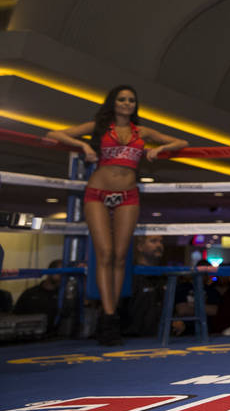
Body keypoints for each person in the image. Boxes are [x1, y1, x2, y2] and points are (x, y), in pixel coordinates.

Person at [46, 86, 186, 345]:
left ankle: (113, 314)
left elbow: (181, 142)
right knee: (105, 254)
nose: (126, 103)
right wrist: (83, 146)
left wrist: (158, 150)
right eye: (122, 99)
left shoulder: (141, 132)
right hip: (97, 192)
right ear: (113, 102)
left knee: (121, 257)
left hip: (128, 195)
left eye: (131, 100)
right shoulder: (99, 127)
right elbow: (54, 133)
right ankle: (108, 316)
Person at [13, 258, 64, 334]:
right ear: (49, 272)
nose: (62, 277)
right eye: (59, 273)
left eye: (64, 274)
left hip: (54, 337)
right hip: (29, 336)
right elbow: (16, 316)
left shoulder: (63, 296)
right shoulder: (30, 293)